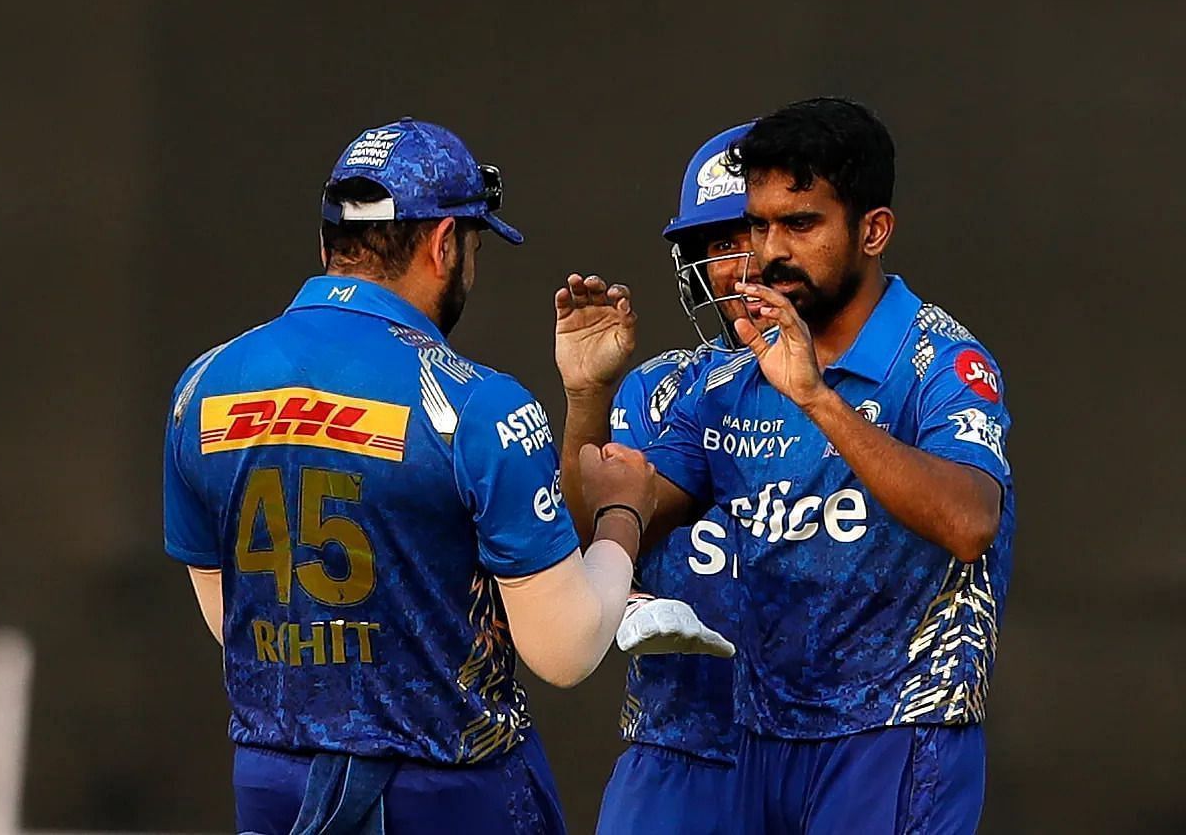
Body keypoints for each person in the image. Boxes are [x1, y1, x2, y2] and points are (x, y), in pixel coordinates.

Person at [163, 117, 656, 835]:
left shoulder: (199, 385)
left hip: (273, 779)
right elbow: (567, 647)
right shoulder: (478, 402)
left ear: (330, 242)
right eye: (474, 245)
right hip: (446, 791)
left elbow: (231, 616)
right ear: (443, 243)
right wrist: (623, 518)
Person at [554, 98, 1015, 834]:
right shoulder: (714, 381)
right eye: (758, 226)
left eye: (795, 225)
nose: (763, 255)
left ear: (873, 231)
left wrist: (815, 396)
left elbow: (968, 524)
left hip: (890, 729)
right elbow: (613, 525)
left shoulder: (937, 360)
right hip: (730, 735)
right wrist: (587, 396)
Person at [594, 123, 753, 835]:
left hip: (832, 746)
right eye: (722, 245)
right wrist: (622, 596)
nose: (745, 266)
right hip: (675, 741)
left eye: (758, 234)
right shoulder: (654, 388)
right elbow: (592, 534)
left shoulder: (879, 383)